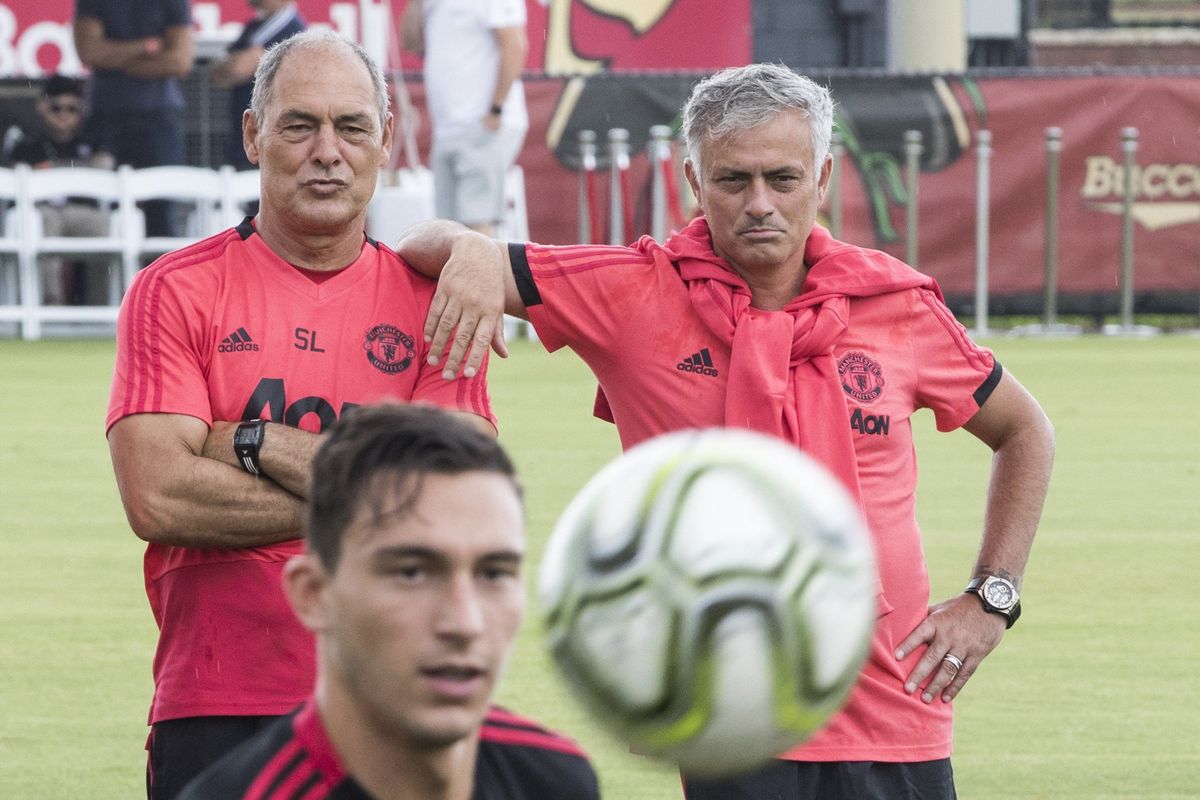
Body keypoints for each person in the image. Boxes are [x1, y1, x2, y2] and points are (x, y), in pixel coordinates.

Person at [395, 63, 1056, 800]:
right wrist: (477, 252)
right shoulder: (634, 290)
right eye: (733, 181)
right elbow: (419, 241)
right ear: (693, 182)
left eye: (783, 178)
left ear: (824, 177)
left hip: (900, 712)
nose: (760, 204)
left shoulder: (893, 303)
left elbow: (1025, 430)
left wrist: (991, 597)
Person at [106, 30, 495, 800]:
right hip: (216, 700)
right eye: (299, 125)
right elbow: (158, 495)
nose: (328, 151)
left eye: (351, 127)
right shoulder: (175, 290)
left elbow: (452, 505)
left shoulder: (440, 301)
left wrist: (247, 441)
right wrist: (373, 493)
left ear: (384, 140)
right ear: (254, 136)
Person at [176, 403, 601, 799]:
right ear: (314, 594)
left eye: (494, 573)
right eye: (411, 572)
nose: (464, 621)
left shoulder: (556, 779)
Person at [401, 0, 528, 236]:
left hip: (483, 125)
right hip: (448, 129)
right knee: (447, 229)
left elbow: (514, 44)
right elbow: (411, 43)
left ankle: (484, 274)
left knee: (477, 223)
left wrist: (495, 111)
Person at [73, 0, 194, 237]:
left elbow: (180, 61)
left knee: (162, 213)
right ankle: (106, 276)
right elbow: (88, 51)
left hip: (159, 119)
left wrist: (115, 60)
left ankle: (159, 276)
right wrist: (147, 47)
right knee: (97, 211)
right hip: (105, 116)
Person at [6, 74, 115, 306]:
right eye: (56, 108)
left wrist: (51, 169)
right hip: (46, 212)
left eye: (71, 108)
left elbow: (106, 168)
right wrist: (76, 169)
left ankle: (103, 307)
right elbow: (15, 175)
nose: (64, 115)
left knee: (106, 228)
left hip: (85, 211)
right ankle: (51, 304)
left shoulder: (92, 140)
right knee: (44, 223)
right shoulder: (27, 142)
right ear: (42, 107)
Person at [211, 0, 306, 170]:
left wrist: (239, 64)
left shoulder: (291, 29)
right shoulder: (254, 26)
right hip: (245, 136)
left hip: (272, 139)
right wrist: (237, 64)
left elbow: (237, 69)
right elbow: (220, 73)